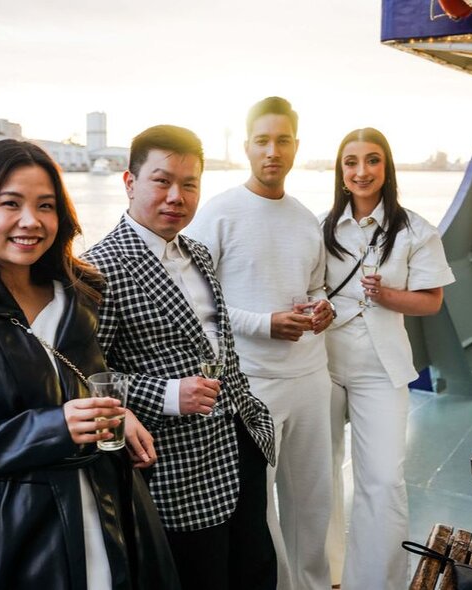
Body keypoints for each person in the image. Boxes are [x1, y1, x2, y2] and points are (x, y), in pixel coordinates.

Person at [0, 139, 179, 590]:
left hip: (116, 511)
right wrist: (54, 428)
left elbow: (84, 387)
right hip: (25, 536)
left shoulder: (78, 296)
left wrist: (114, 413)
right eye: (11, 203)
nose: (31, 221)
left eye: (46, 206)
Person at [83, 124, 278, 590]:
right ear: (130, 183)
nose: (176, 196)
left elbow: (220, 347)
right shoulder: (99, 269)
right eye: (162, 180)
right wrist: (169, 394)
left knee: (256, 573)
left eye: (189, 184)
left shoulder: (200, 253)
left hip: (241, 443)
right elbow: (86, 376)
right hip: (176, 469)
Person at [186, 96, 337, 590]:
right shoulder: (219, 214)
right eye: (262, 141)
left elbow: (315, 285)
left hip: (311, 379)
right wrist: (264, 323)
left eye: (283, 141)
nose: (273, 151)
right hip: (250, 385)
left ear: (296, 147)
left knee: (313, 503)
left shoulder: (304, 218)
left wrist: (322, 308)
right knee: (260, 510)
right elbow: (194, 302)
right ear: (246, 147)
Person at [321, 127, 455, 590]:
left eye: (372, 160)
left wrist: (389, 296)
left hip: (381, 369)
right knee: (320, 476)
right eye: (351, 162)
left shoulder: (417, 230)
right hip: (323, 364)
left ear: (386, 168)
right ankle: (325, 574)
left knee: (382, 479)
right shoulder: (320, 228)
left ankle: (374, 583)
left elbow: (432, 301)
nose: (361, 171)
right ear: (341, 173)